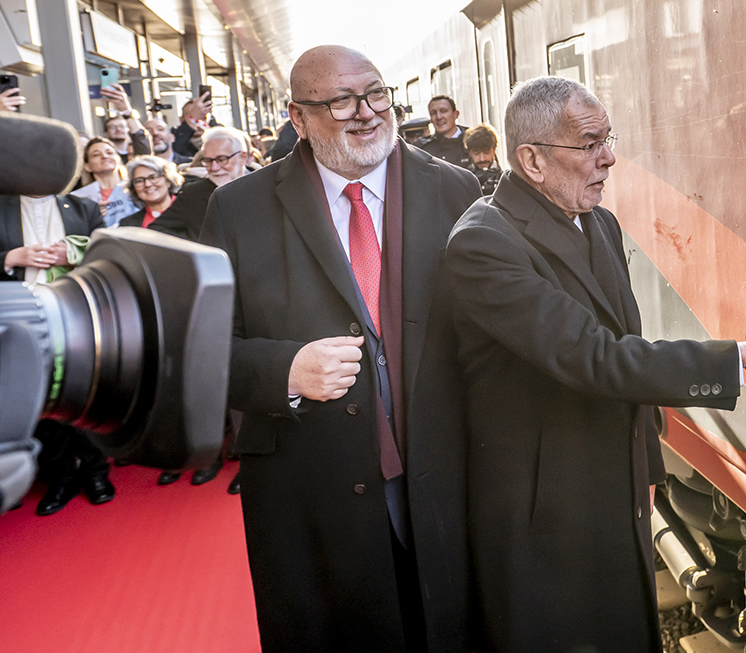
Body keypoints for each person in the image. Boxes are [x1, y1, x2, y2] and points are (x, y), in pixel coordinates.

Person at [445, 76, 746, 653]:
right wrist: (738, 357)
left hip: (612, 490)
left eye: (609, 138)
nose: (609, 157)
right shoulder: (483, 244)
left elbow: (628, 335)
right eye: (589, 144)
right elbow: (595, 356)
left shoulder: (597, 221)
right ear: (531, 160)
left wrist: (647, 471)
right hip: (543, 517)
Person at [200, 45, 481, 652]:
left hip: (444, 484)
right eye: (339, 102)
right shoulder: (238, 209)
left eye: (376, 93)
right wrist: (285, 371)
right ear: (297, 119)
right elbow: (201, 353)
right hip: (311, 495)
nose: (366, 113)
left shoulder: (455, 191)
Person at [1, 190, 113, 515]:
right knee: (41, 403)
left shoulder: (84, 207)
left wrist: (74, 254)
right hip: (20, 320)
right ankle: (61, 477)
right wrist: (11, 257)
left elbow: (109, 256)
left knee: (86, 396)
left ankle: (96, 473)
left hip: (80, 318)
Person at [149, 126, 252, 242]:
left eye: (222, 159)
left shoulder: (264, 186)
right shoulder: (193, 194)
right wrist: (198, 247)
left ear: (243, 157)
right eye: (208, 161)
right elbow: (156, 230)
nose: (214, 168)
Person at [72, 137, 138, 228]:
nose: (105, 156)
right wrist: (92, 215)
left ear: (118, 160)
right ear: (87, 166)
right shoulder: (78, 198)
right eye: (96, 155)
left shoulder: (136, 188)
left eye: (109, 153)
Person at [119, 155, 183, 229]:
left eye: (153, 177)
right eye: (139, 180)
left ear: (168, 180)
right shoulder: (127, 225)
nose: (147, 184)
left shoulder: (191, 212)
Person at [419, 95, 472, 169]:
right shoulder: (423, 149)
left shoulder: (473, 141)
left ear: (455, 114)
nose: (439, 117)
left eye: (444, 111)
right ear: (430, 119)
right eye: (433, 113)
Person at [99, 83, 151, 159]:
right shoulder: (106, 158)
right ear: (106, 133)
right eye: (112, 127)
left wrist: (126, 111)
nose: (118, 129)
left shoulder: (136, 155)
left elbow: (140, 138)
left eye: (121, 126)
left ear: (128, 130)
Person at [463, 122, 502, 195]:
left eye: (486, 151)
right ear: (469, 153)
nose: (482, 159)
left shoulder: (504, 178)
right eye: (476, 152)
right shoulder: (464, 179)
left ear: (494, 150)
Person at [172, 93, 213, 161]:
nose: (198, 122)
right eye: (192, 117)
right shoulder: (174, 138)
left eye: (203, 118)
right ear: (181, 119)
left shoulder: (216, 137)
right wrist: (190, 124)